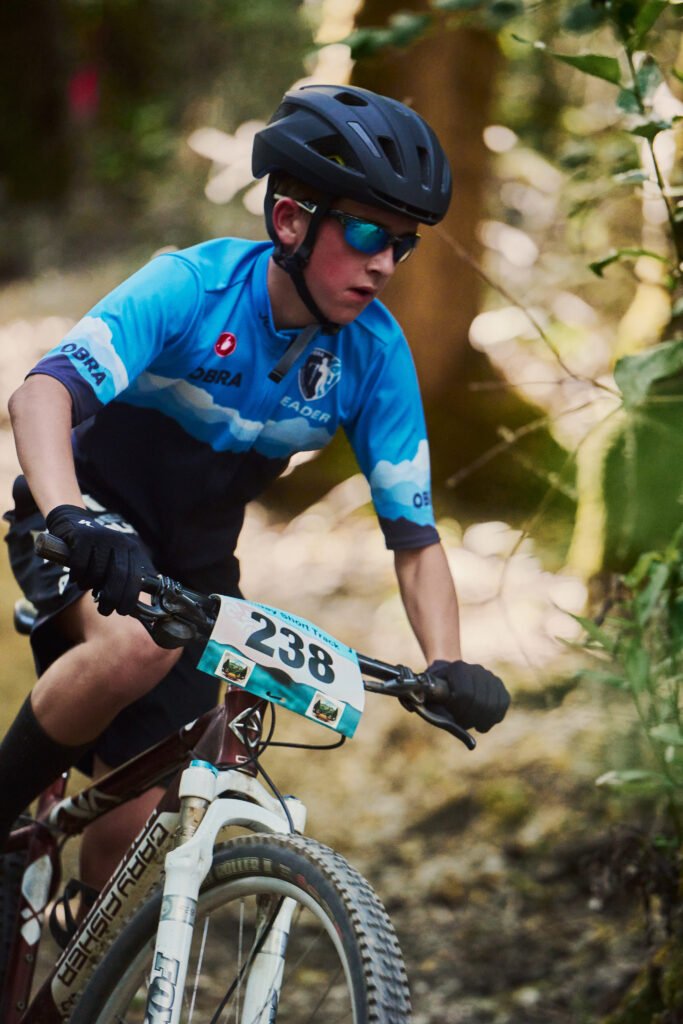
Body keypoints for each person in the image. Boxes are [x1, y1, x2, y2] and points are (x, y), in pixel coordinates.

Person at [1, 84, 509, 912]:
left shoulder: (374, 356)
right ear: (289, 221)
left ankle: (81, 946)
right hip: (80, 510)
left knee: (136, 818)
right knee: (136, 646)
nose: (384, 263)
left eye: (403, 244)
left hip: (195, 560)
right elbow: (40, 395)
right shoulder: (191, 287)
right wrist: (71, 512)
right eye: (367, 232)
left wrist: (445, 663)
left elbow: (414, 538)